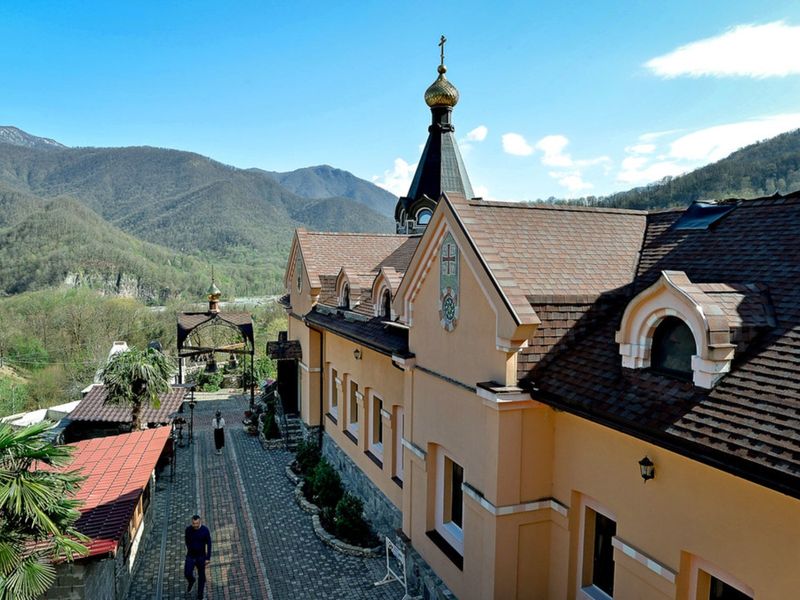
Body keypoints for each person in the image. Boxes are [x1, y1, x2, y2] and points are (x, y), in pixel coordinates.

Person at [184, 514, 212, 599]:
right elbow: (187, 541)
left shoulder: (205, 530)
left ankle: (200, 595)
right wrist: (189, 548)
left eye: (196, 523)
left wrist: (208, 558)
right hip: (191, 556)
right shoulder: (188, 530)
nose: (195, 525)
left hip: (201, 557)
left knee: (202, 576)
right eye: (193, 523)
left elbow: (209, 543)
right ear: (191, 522)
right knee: (187, 573)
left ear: (200, 522)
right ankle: (191, 581)